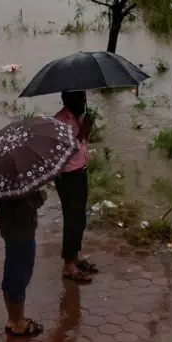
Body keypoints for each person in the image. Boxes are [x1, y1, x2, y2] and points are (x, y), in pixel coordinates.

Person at [52, 91, 97, 282]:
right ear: (67, 101)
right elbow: (68, 150)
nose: (83, 103)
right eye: (80, 99)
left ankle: (75, 256)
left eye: (84, 99)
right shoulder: (60, 121)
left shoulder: (78, 117)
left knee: (79, 218)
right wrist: (84, 130)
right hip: (68, 176)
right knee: (72, 218)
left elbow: (84, 142)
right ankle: (68, 266)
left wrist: (86, 127)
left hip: (80, 171)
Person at [0, 188, 45, 338]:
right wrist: (39, 199)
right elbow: (25, 205)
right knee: (20, 274)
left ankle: (13, 319)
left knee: (12, 270)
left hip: (9, 228)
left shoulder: (4, 181)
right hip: (22, 231)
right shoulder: (20, 184)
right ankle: (18, 323)